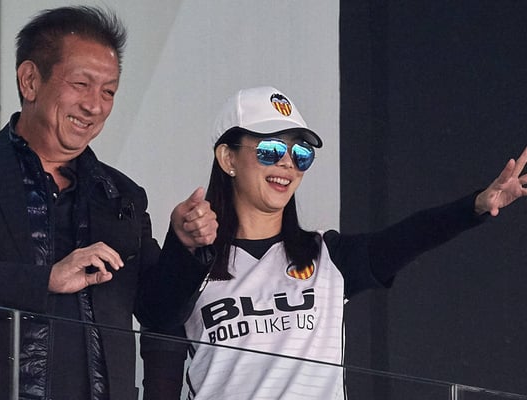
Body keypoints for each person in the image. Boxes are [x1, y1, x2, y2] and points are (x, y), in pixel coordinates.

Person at [148, 86, 527, 399]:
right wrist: (183, 246)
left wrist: (475, 206)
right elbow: (157, 322)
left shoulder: (327, 257)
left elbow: (411, 236)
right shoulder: (193, 263)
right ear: (228, 158)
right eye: (270, 150)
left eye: (300, 154)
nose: (287, 164)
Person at [0, 6, 217, 400]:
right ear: (30, 81)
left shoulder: (121, 195)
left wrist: (183, 247)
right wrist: (44, 280)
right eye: (81, 84)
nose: (95, 106)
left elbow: (158, 312)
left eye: (108, 91)